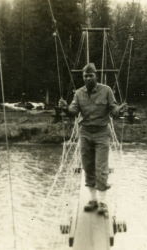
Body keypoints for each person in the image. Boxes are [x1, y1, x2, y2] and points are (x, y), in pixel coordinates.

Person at [59, 63, 126, 217]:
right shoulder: (78, 93)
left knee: (101, 167)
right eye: (85, 76)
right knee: (88, 166)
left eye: (91, 75)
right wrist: (64, 108)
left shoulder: (106, 90)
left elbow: (113, 109)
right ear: (83, 77)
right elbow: (73, 111)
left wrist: (119, 110)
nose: (88, 78)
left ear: (96, 76)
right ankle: (93, 200)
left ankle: (103, 203)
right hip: (85, 133)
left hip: (102, 133)